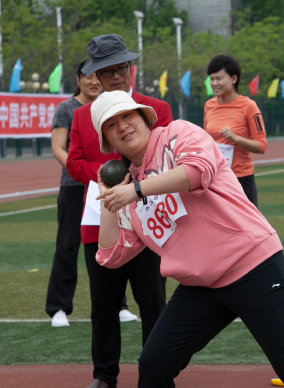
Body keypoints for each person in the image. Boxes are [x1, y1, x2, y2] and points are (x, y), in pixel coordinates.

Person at [92, 91, 284, 388]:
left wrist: (137, 189)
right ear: (107, 140)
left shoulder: (177, 133)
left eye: (127, 115)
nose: (122, 126)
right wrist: (108, 199)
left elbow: (197, 171)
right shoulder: (128, 189)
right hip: (202, 287)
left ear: (143, 118)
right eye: (111, 125)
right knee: (154, 363)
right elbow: (112, 255)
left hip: (253, 268)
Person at [66, 34, 172, 388]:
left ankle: (155, 374)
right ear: (95, 75)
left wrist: (132, 178)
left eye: (121, 68)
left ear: (131, 69)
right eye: (107, 71)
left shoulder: (156, 109)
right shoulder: (81, 116)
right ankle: (104, 375)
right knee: (103, 304)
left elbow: (165, 155)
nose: (115, 76)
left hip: (149, 217)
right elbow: (74, 162)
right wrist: (102, 175)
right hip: (101, 218)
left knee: (153, 301)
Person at [45, 61, 101, 327]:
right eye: (88, 77)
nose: (94, 82)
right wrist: (82, 171)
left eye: (98, 77)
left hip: (105, 186)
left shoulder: (108, 106)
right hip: (74, 185)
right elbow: (58, 148)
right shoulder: (66, 109)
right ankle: (58, 307)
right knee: (68, 245)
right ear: (78, 80)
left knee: (108, 244)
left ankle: (118, 304)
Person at [203, 55, 267, 207]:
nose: (214, 83)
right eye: (211, 79)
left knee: (247, 222)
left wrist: (235, 138)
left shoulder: (249, 106)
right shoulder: (209, 106)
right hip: (216, 178)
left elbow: (261, 146)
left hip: (241, 179)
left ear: (233, 79)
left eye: (219, 78)